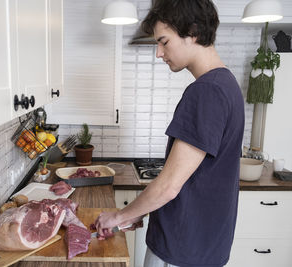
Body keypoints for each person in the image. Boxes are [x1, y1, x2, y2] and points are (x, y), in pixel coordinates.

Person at [94, 0, 245, 266]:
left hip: (182, 248)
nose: (159, 53)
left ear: (193, 32)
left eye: (164, 41)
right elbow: (192, 179)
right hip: (203, 245)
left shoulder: (206, 92)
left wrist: (118, 216)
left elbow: (169, 186)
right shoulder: (226, 84)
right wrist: (138, 211)